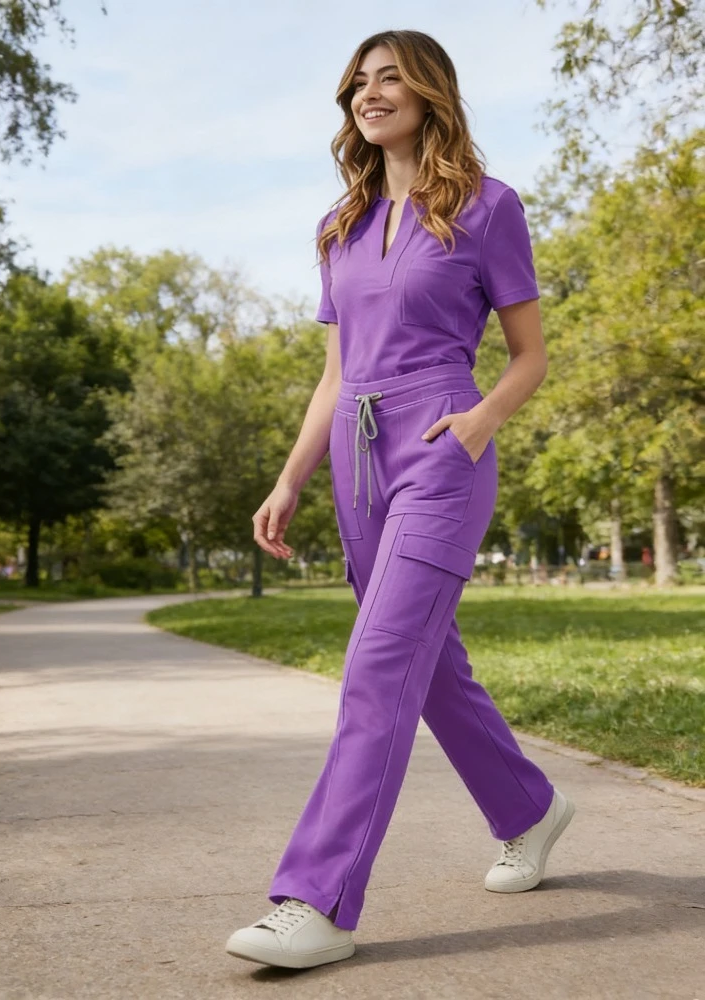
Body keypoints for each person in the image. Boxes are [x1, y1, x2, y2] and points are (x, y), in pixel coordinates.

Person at [225, 30, 574, 971]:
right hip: (355, 458)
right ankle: (530, 809)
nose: (370, 96)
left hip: (441, 444)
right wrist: (291, 476)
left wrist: (479, 423)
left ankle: (317, 900)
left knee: (378, 665)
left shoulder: (488, 207)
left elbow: (531, 353)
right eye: (359, 85)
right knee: (432, 667)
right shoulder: (338, 226)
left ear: (429, 94)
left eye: (390, 80)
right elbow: (336, 373)